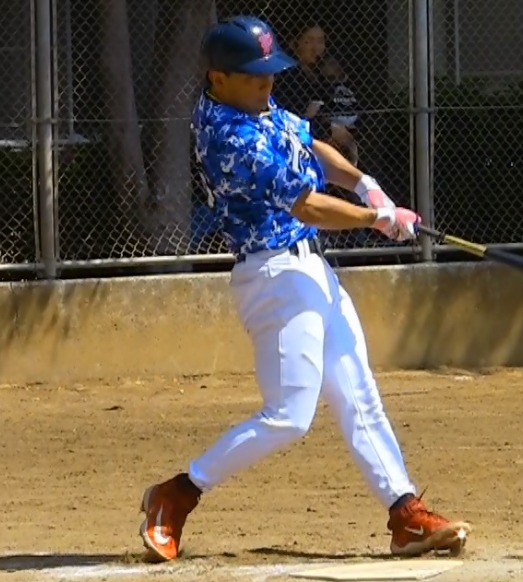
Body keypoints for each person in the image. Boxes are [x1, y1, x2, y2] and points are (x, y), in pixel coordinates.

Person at [137, 15, 472, 562]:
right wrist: (376, 219)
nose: (267, 81)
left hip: (312, 272)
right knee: (290, 416)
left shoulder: (258, 106)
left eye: (269, 71)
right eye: (254, 74)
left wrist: (366, 184)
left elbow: (310, 145)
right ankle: (177, 493)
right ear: (218, 78)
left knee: (358, 393)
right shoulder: (229, 135)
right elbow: (307, 205)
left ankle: (405, 514)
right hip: (274, 278)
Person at [272, 22, 359, 164]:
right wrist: (329, 129)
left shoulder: (322, 73)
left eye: (320, 41)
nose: (316, 48)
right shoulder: (288, 75)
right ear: (294, 44)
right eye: (309, 41)